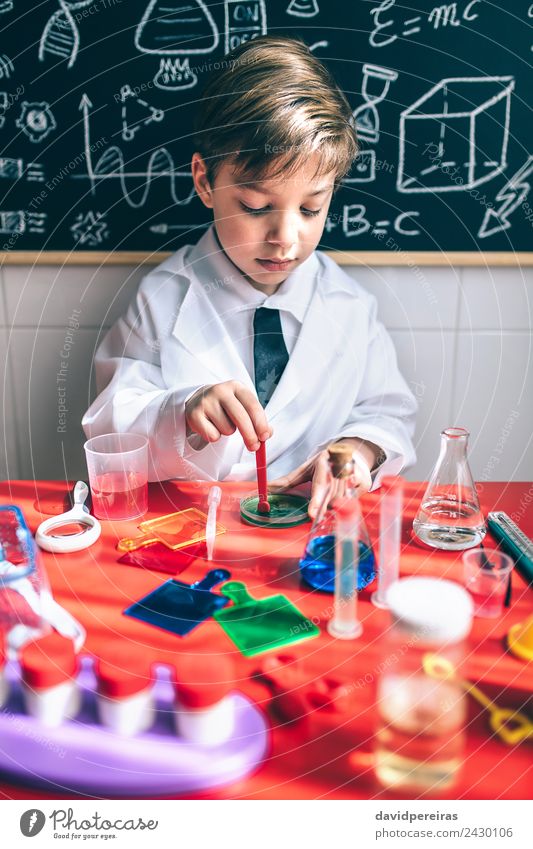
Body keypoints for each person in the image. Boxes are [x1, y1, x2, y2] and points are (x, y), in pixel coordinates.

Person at [82, 35, 417, 518]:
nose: (285, 237)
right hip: (197, 525)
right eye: (257, 207)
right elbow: (111, 424)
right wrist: (184, 410)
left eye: (311, 208)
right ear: (204, 182)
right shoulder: (163, 298)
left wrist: (356, 451)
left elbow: (386, 412)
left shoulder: (349, 304)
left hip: (310, 526)